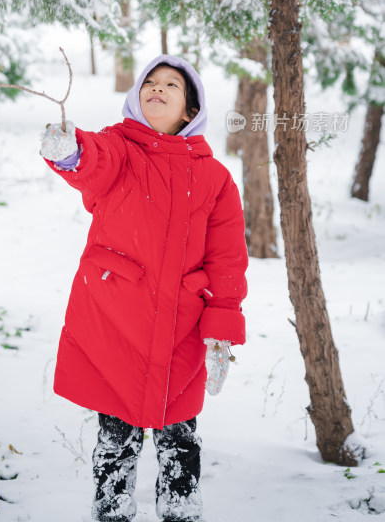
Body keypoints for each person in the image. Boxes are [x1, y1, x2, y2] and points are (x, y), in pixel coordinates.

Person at [40, 54, 248, 522]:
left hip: (182, 327)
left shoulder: (215, 177)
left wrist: (220, 330)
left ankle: (181, 510)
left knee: (180, 435)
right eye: (149, 82)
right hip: (116, 318)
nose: (156, 88)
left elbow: (227, 259)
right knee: (116, 433)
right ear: (136, 98)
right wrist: (70, 153)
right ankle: (111, 512)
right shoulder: (120, 147)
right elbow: (92, 161)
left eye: (170, 85)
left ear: (189, 111)